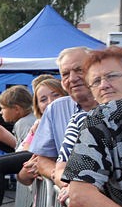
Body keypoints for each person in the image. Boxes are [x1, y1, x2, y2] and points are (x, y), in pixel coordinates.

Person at [63, 46, 122, 207]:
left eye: (112, 76)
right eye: (96, 82)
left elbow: (79, 197)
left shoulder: (100, 118)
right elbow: (80, 196)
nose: (104, 85)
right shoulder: (98, 120)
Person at [18, 48, 94, 187]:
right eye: (65, 74)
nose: (72, 78)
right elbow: (41, 160)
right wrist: (65, 182)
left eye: (79, 70)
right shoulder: (56, 109)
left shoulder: (116, 107)